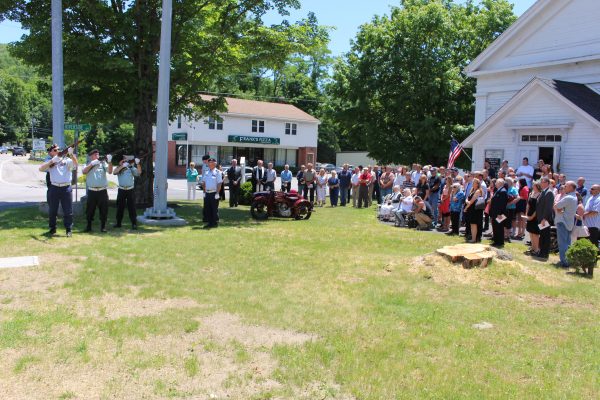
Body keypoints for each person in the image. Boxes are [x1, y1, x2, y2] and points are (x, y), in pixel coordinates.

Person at [39, 144, 78, 236]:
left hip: (66, 187)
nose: (57, 151)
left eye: (58, 150)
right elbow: (41, 168)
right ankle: (52, 228)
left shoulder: (67, 160)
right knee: (53, 210)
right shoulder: (49, 161)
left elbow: (76, 164)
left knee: (68, 210)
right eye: (55, 150)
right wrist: (53, 161)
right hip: (54, 187)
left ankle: (68, 229)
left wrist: (71, 154)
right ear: (51, 153)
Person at [82, 149, 113, 233]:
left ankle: (103, 227)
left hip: (102, 191)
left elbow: (110, 171)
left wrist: (110, 161)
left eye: (98, 154)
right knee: (90, 210)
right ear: (91, 156)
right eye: (95, 155)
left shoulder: (102, 163)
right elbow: (84, 171)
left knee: (104, 210)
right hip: (92, 191)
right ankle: (88, 226)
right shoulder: (87, 164)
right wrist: (92, 164)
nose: (97, 156)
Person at [553, 181, 578, 268]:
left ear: (571, 187)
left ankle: (564, 261)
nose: (564, 187)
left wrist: (559, 208)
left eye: (566, 186)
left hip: (563, 222)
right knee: (567, 243)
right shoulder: (574, 197)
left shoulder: (568, 197)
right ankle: (567, 260)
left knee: (562, 243)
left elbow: (556, 206)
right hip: (569, 222)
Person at [113, 157, 141, 229]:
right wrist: (122, 166)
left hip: (130, 190)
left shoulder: (131, 168)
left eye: (126, 161)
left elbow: (139, 173)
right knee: (120, 207)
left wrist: (137, 164)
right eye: (124, 160)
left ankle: (134, 223)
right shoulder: (119, 168)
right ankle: (118, 223)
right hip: (121, 189)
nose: (125, 161)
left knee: (132, 208)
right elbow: (114, 172)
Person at [534, 177, 555, 259]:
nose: (541, 184)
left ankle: (544, 253)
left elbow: (548, 207)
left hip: (545, 219)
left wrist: (544, 218)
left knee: (545, 236)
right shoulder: (543, 192)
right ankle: (541, 252)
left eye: (542, 182)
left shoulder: (549, 193)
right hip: (541, 218)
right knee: (542, 235)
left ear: (547, 183)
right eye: (541, 182)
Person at [202, 158, 222, 228]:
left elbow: (219, 183)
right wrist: (204, 192)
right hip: (207, 193)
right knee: (207, 208)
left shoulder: (218, 172)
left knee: (214, 209)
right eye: (209, 162)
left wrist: (217, 193)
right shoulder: (207, 172)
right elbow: (203, 182)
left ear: (215, 164)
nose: (209, 164)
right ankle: (210, 222)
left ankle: (215, 222)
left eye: (211, 162)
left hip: (214, 193)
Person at [463, 178, 484, 243]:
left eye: (474, 182)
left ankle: (474, 239)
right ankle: (473, 237)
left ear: (477, 184)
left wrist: (466, 208)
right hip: (471, 209)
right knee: (472, 224)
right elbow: (467, 198)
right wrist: (466, 201)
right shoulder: (472, 190)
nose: (472, 183)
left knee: (474, 224)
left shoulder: (478, 191)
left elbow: (472, 201)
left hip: (475, 210)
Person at [489, 178, 508, 247]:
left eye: (496, 182)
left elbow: (502, 204)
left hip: (499, 214)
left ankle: (500, 242)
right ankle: (496, 241)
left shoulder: (503, 191)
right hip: (495, 213)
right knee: (495, 227)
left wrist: (500, 214)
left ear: (500, 183)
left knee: (499, 227)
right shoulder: (498, 190)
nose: (495, 183)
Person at [525, 182, 542, 255]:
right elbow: (528, 205)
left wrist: (532, 216)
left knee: (535, 233)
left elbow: (538, 208)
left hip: (536, 216)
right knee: (530, 231)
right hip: (529, 214)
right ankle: (533, 247)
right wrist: (526, 214)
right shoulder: (531, 193)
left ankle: (537, 249)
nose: (532, 187)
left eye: (534, 186)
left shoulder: (540, 195)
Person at [583, 184, 600, 249]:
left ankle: (594, 257)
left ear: (598, 190)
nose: (590, 190)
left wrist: (583, 215)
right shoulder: (590, 198)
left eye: (592, 189)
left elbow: (595, 212)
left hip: (594, 225)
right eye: (590, 188)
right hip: (587, 224)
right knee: (587, 242)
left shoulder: (598, 199)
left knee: (593, 243)